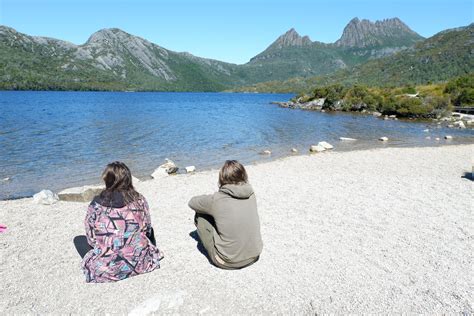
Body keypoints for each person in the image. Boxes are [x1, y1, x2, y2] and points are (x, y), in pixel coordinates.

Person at [80, 161, 164, 283]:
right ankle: (144, 254)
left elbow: (91, 238)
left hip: (109, 269)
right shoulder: (139, 199)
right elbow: (147, 228)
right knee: (148, 232)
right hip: (140, 262)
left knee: (79, 240)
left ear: (107, 180)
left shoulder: (97, 203)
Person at [188, 160, 263, 269]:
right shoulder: (251, 194)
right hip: (255, 255)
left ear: (222, 178)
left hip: (228, 262)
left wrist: (212, 198)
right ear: (243, 175)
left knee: (201, 214)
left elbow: (192, 202)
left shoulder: (217, 199)